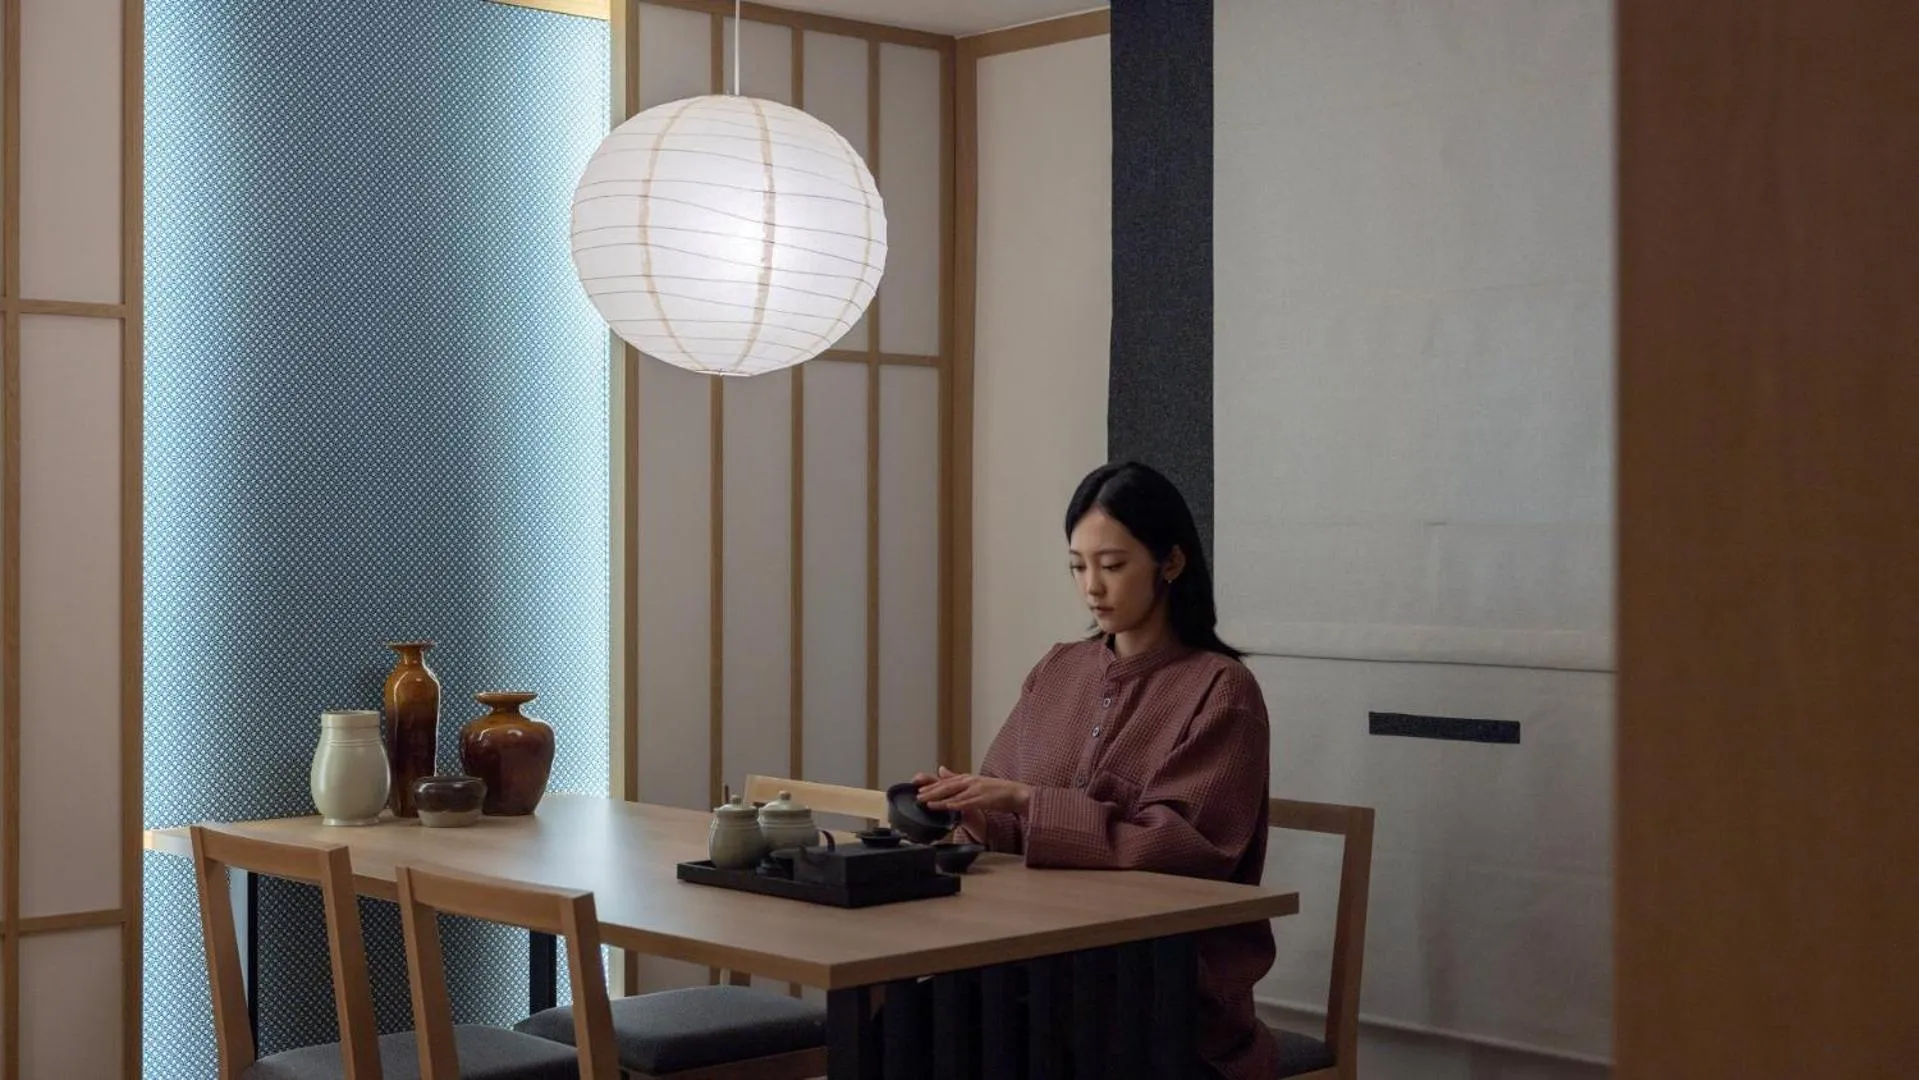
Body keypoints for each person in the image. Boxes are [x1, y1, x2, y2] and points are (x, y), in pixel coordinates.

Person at [914, 461, 1279, 1080]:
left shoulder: (1222, 691)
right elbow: (1007, 812)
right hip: (1039, 962)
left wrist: (1030, 803)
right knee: (908, 1020)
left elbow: (1177, 847)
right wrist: (976, 812)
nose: (1092, 588)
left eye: (1112, 566)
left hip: (1154, 990)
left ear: (1170, 563)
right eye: (1078, 567)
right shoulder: (1058, 669)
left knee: (976, 1040)